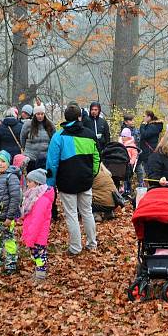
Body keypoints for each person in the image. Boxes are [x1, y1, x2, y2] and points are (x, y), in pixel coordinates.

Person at [46, 104, 100, 255]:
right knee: (87, 212)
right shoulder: (90, 134)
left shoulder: (58, 136)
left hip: (66, 181)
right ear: (79, 117)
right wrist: (92, 174)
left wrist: (50, 184)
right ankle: (92, 244)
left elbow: (52, 163)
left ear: (65, 118)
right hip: (85, 180)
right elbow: (97, 158)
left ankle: (75, 248)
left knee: (71, 214)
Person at [20, 168, 56, 281]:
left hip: (38, 235)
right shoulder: (33, 196)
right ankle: (38, 272)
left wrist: (30, 237)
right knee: (35, 254)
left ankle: (40, 275)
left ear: (37, 183)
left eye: (30, 182)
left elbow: (37, 220)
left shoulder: (41, 200)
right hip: (33, 232)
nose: (27, 184)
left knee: (40, 255)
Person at [20, 101, 56, 173]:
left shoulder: (50, 125)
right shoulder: (28, 125)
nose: (40, 116)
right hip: (31, 158)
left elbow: (54, 139)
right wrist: (24, 148)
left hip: (45, 158)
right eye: (38, 114)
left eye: (42, 114)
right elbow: (22, 138)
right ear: (34, 114)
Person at [138, 110, 163, 187]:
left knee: (149, 170)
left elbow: (144, 135)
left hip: (148, 152)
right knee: (143, 169)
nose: (143, 118)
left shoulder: (153, 126)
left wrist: (142, 126)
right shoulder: (151, 125)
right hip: (146, 151)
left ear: (149, 117)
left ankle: (151, 186)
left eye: (144, 116)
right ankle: (145, 185)